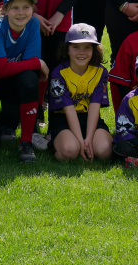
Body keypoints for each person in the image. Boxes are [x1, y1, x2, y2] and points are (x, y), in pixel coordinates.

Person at [0, 0, 49, 161]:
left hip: (1, 78)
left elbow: (28, 68)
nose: (21, 12)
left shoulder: (32, 23)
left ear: (32, 9)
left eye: (26, 7)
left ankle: (26, 142)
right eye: (15, 7)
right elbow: (5, 67)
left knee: (29, 79)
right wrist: (38, 62)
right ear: (5, 9)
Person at [47, 23, 113, 162]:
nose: (81, 52)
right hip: (64, 119)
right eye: (76, 47)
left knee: (105, 151)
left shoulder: (100, 72)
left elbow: (95, 106)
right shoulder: (58, 73)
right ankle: (59, 144)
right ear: (67, 50)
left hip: (90, 118)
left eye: (87, 47)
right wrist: (81, 142)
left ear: (94, 50)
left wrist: (88, 138)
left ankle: (87, 143)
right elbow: (69, 110)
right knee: (69, 151)